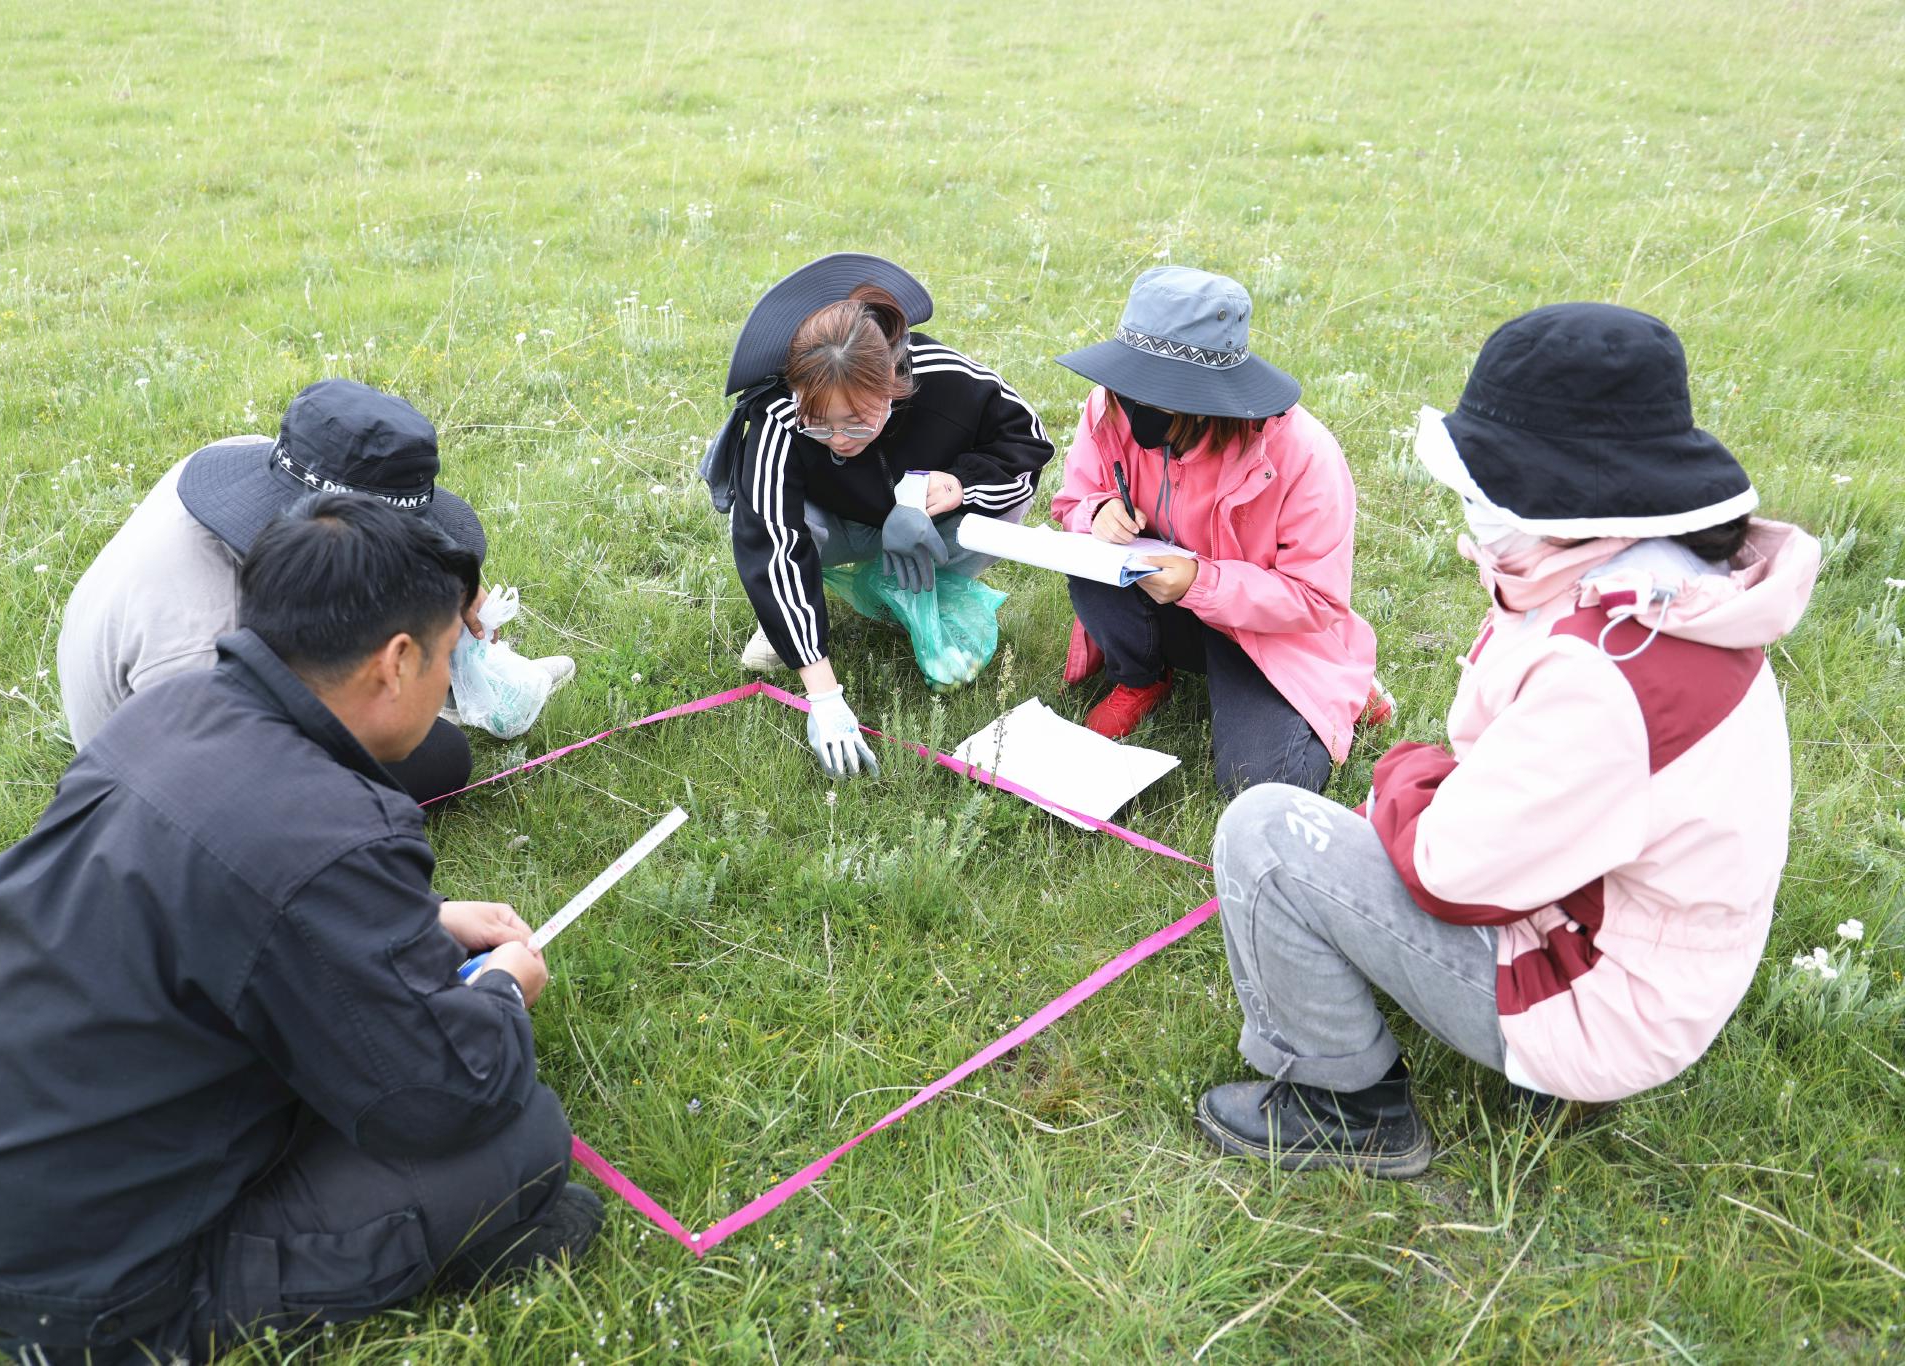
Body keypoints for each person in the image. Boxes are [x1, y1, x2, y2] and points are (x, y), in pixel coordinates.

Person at [0, 495, 602, 1364]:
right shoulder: (337, 828)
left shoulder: (169, 713)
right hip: (98, 1297)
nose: (447, 687)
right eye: (448, 661)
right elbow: (441, 1097)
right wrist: (502, 989)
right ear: (393, 662)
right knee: (519, 1139)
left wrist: (422, 919)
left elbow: (222, 893)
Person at [1194, 302, 1820, 1177]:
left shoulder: (1606, 670)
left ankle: (1348, 1106)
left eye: (1485, 485)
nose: (1472, 506)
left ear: (1567, 493)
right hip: (1642, 944)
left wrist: (1403, 777)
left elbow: (1450, 872)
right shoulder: (1667, 592)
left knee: (1265, 833)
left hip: (1601, 992)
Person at [54, 377, 573, 802]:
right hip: (164, 762)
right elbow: (208, 805)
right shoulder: (201, 645)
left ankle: (440, 681)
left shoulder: (246, 460)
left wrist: (445, 578)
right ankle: (429, 696)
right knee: (438, 756)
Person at [704, 252, 1054, 776]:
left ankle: (923, 594)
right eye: (819, 426)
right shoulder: (776, 413)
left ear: (892, 383)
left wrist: (956, 485)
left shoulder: (948, 379)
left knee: (1002, 511)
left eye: (859, 422)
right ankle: (790, 625)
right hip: (837, 521)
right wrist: (822, 695)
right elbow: (770, 540)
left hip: (927, 515)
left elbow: (1027, 441)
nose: (839, 441)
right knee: (771, 526)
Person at [1050, 266, 1382, 795]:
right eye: (1130, 384)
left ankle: (1344, 683)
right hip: (1158, 600)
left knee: (1263, 786)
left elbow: (1316, 599)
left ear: (1210, 399)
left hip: (1265, 634)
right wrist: (1094, 514)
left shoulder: (1303, 454)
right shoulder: (1107, 407)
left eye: (1159, 394)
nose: (1135, 406)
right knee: (1088, 564)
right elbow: (1070, 501)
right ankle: (1142, 676)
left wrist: (1199, 583)